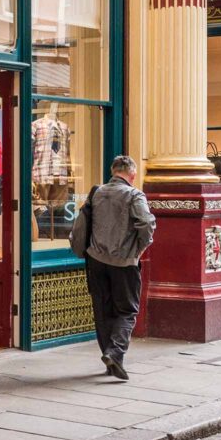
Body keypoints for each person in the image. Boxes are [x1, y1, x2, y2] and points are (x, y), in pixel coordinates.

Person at [70, 154, 155, 382]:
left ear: (112, 170)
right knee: (127, 310)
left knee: (102, 310)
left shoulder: (97, 192)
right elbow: (147, 223)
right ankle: (114, 353)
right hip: (123, 262)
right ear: (132, 175)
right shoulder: (134, 194)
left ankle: (110, 360)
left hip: (96, 260)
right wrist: (140, 249)